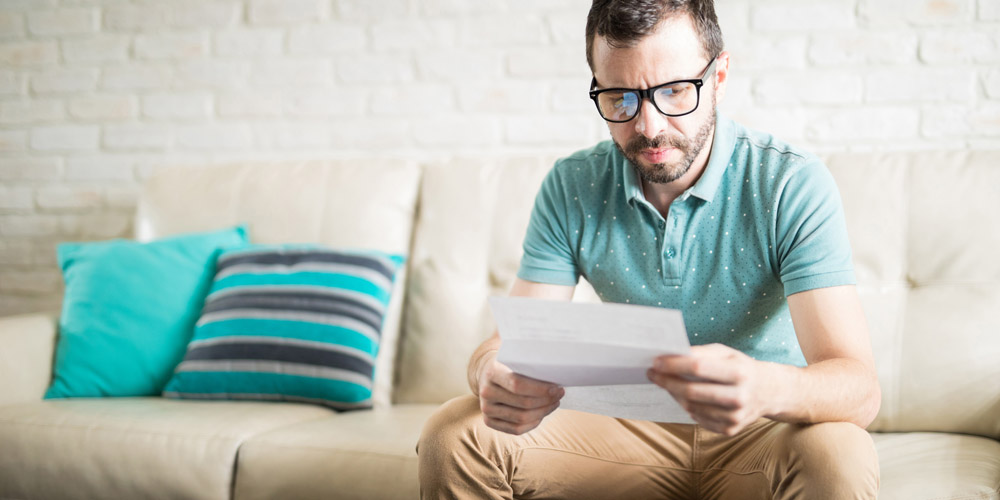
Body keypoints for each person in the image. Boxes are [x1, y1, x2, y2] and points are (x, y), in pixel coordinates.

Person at [417, 0, 881, 498]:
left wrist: (766, 387)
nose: (650, 127)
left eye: (676, 91)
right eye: (620, 97)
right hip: (626, 430)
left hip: (764, 429)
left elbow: (860, 389)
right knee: (455, 434)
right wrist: (488, 372)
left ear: (719, 76)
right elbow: (505, 346)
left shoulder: (789, 182)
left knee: (839, 454)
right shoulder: (572, 184)